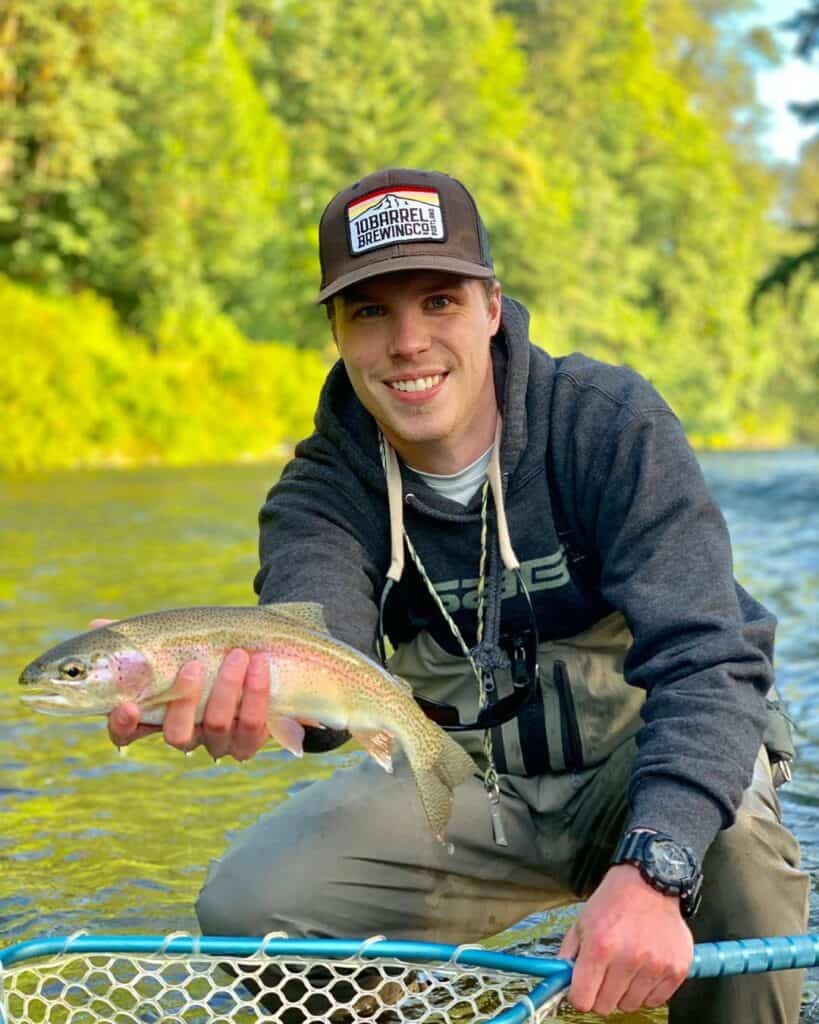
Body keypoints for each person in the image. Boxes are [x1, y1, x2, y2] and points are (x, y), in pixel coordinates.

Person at [108, 168, 809, 1020]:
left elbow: (710, 660)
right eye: (370, 311)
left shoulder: (606, 425)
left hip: (647, 773)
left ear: (489, 306)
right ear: (335, 330)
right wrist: (256, 699)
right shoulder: (323, 491)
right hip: (472, 788)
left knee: (728, 837)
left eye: (437, 300)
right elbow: (324, 648)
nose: (406, 343)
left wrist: (654, 865)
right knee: (250, 906)